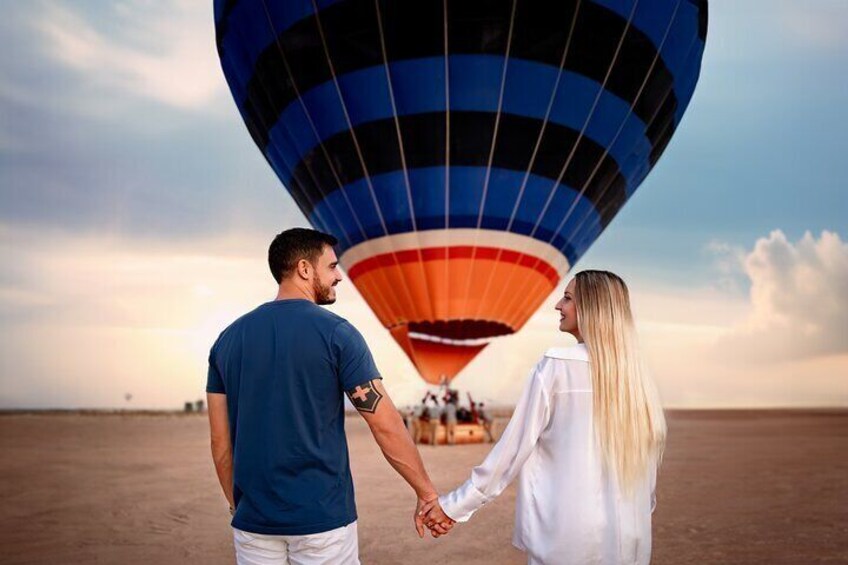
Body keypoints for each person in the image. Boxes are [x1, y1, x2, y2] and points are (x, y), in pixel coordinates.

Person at [206, 228, 452, 564]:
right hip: (322, 524)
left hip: (254, 526)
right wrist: (426, 493)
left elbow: (220, 443)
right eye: (332, 266)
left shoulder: (227, 341)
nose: (339, 276)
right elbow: (385, 425)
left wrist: (239, 506)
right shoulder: (338, 334)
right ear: (305, 269)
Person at [422, 270, 667, 564]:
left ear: (592, 308)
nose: (557, 306)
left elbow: (511, 452)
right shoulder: (639, 377)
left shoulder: (556, 367)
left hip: (568, 539)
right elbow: (647, 470)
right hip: (631, 537)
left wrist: (453, 507)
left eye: (568, 298)